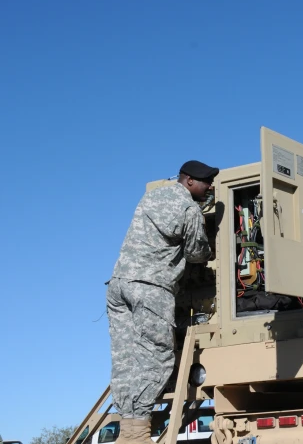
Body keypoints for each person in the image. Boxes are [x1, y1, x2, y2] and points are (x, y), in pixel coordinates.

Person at [106, 160, 219, 444]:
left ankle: (128, 432)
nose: (210, 187)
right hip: (151, 288)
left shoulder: (152, 196)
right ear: (190, 181)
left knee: (126, 359)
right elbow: (196, 252)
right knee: (154, 356)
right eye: (206, 182)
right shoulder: (189, 209)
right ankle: (138, 435)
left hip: (119, 284)